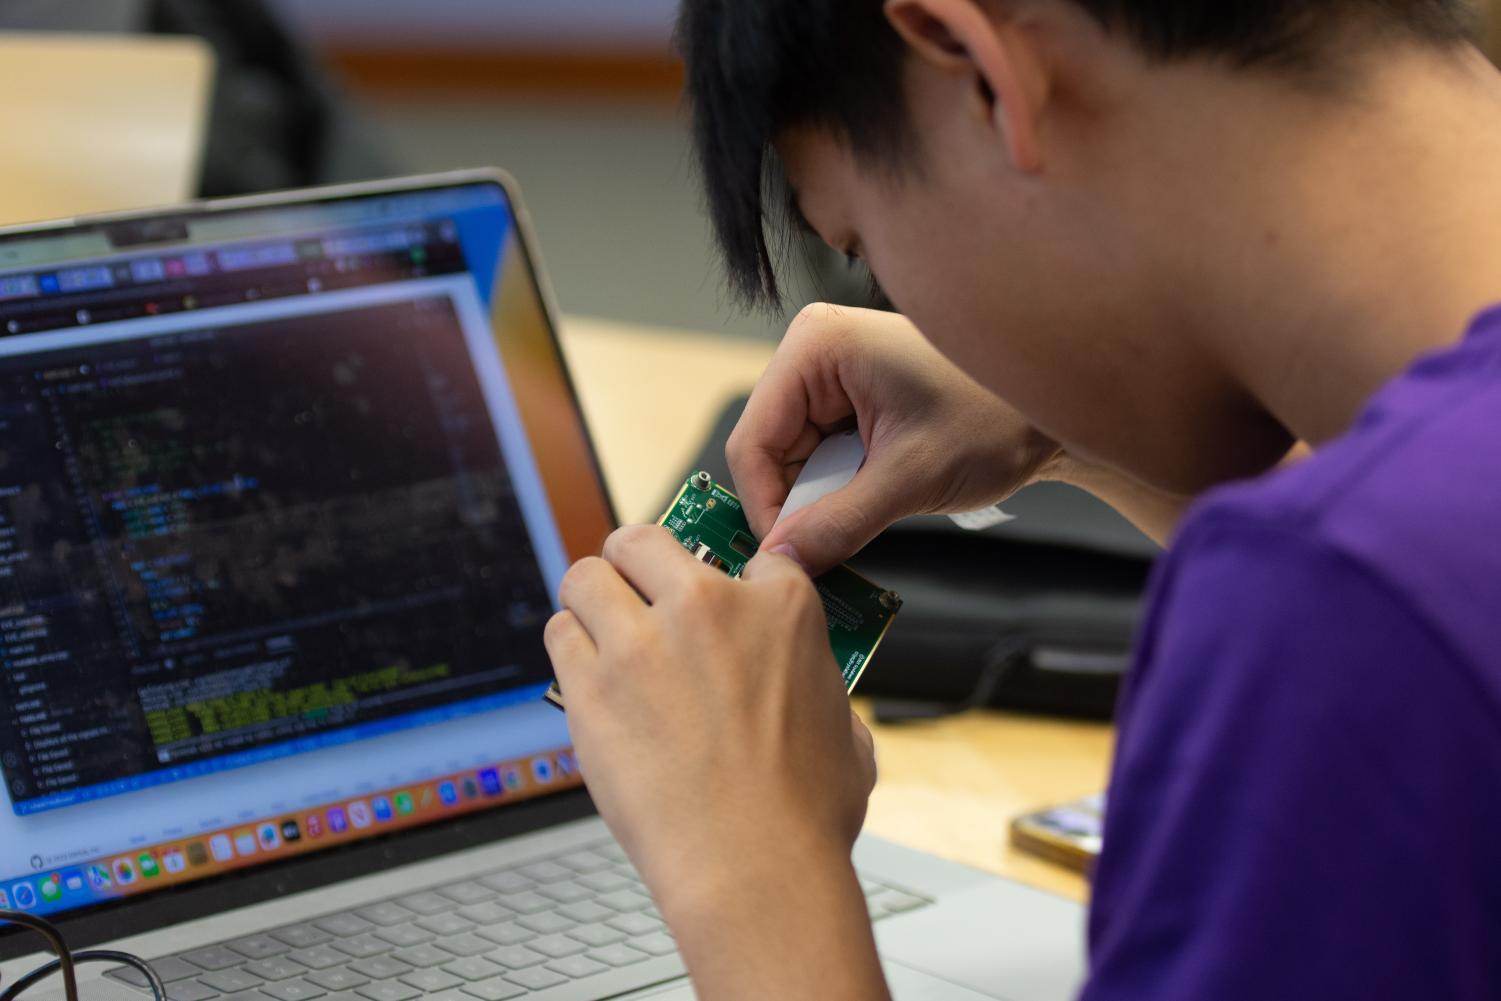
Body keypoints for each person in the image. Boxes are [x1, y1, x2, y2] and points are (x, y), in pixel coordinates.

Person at [542, 1, 1501, 997]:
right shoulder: (1398, 572)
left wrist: (750, 877)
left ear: (980, 68)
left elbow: (1382, 594)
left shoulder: (1343, 614)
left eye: (862, 246)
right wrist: (1059, 423)